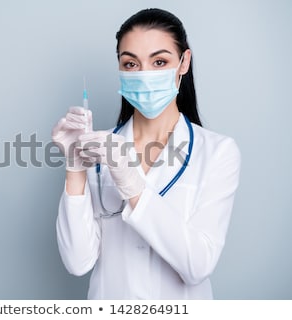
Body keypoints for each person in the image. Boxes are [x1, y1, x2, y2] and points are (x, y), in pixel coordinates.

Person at [51, 8, 241, 299]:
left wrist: (132, 184)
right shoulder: (100, 152)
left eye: (159, 61)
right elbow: (78, 262)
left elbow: (198, 265)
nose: (144, 75)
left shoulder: (217, 152)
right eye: (131, 64)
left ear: (183, 62)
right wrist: (76, 167)